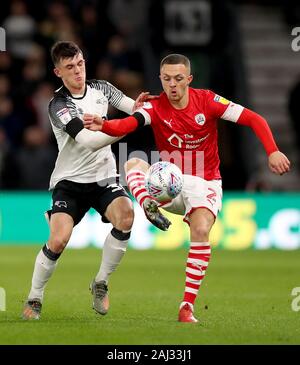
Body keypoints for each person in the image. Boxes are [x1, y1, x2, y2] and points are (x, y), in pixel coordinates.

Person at [83, 54, 291, 323]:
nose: (172, 85)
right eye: (167, 79)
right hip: (170, 182)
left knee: (201, 229)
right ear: (161, 79)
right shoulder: (154, 107)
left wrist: (272, 151)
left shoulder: (208, 101)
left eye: (179, 79)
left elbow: (254, 119)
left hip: (204, 183)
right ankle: (148, 203)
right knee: (133, 162)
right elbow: (128, 125)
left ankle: (186, 306)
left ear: (189, 79)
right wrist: (105, 125)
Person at [22, 40, 152, 320]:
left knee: (126, 217)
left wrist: (146, 109)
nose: (78, 71)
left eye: (80, 63)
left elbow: (136, 109)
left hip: (104, 176)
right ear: (58, 73)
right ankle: (34, 297)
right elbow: (90, 141)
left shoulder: (103, 89)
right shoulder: (59, 105)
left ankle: (100, 282)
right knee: (58, 240)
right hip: (69, 182)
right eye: (70, 67)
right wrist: (129, 126)